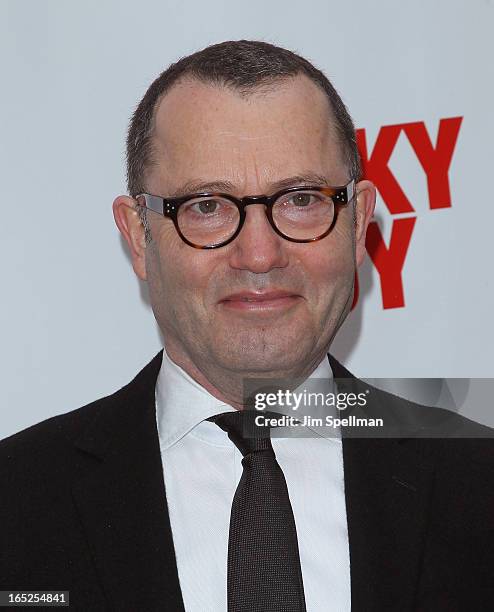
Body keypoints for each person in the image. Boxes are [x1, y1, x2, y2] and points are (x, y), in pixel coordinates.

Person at [1, 40, 492, 612]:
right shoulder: (15, 503)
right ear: (138, 236)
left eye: (301, 199)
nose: (259, 254)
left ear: (358, 224)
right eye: (207, 206)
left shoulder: (478, 484)